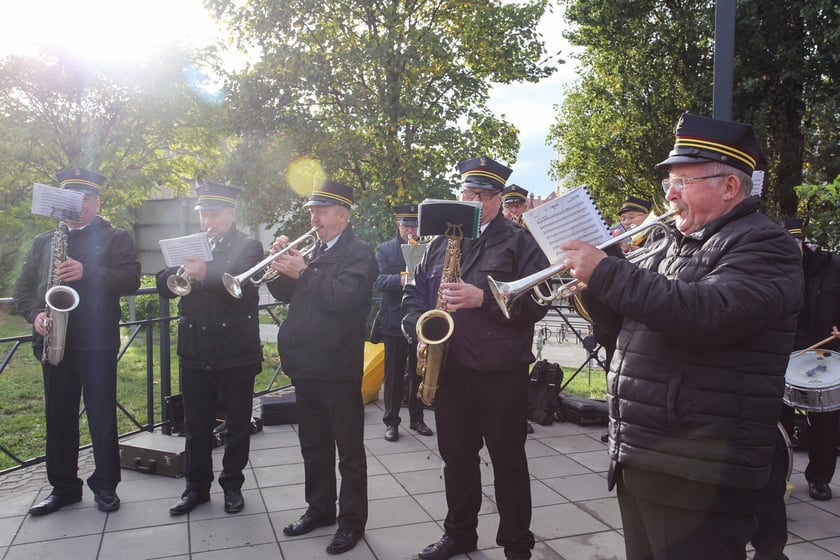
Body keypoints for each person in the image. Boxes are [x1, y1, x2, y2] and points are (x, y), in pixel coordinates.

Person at [565, 113, 803, 560]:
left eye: (682, 182)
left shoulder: (765, 245)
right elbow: (624, 326)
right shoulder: (674, 242)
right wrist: (593, 283)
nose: (670, 194)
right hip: (647, 455)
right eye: (670, 182)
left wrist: (608, 272)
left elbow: (709, 314)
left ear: (729, 187)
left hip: (699, 472)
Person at [403, 156, 550, 560]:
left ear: (500, 198)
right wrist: (419, 328)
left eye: (484, 195)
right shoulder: (439, 242)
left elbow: (537, 304)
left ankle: (517, 544)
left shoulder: (520, 242)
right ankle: (459, 534)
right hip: (450, 370)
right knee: (456, 460)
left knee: (509, 462)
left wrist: (483, 298)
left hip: (500, 373)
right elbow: (414, 294)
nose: (474, 201)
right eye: (468, 193)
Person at [13, 167, 141, 515]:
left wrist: (88, 271)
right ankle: (64, 488)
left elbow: (131, 279)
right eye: (73, 199)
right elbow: (22, 289)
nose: (81, 205)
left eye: (87, 198)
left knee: (102, 416)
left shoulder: (115, 237)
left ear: (97, 202)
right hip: (55, 341)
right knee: (58, 417)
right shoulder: (44, 241)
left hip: (97, 342)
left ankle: (106, 486)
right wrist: (35, 314)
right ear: (61, 202)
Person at [266, 180, 377, 555]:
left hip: (337, 366)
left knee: (349, 451)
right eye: (312, 210)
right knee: (313, 445)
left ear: (342, 215)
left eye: (321, 211)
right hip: (305, 363)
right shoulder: (313, 250)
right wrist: (281, 265)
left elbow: (344, 298)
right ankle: (320, 509)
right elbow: (287, 295)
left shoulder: (359, 253)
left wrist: (303, 272)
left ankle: (352, 522)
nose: (314, 218)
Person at [156, 181, 264, 516]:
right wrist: (176, 273)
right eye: (204, 215)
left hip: (236, 350)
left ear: (231, 214)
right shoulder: (192, 243)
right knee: (196, 425)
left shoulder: (249, 246)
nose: (208, 222)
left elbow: (242, 287)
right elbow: (163, 283)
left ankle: (232, 486)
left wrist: (204, 273)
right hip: (196, 349)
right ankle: (196, 488)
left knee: (237, 424)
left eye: (215, 215)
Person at [779, 218, 840, 503]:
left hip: (824, 352)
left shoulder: (832, 266)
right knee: (778, 420)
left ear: (802, 243)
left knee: (826, 420)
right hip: (784, 353)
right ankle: (779, 476)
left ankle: (819, 478)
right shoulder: (770, 268)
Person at [374, 204, 433, 442]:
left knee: (418, 372)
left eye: (414, 226)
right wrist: (401, 280)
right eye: (406, 226)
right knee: (394, 375)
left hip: (418, 320)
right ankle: (391, 422)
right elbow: (377, 280)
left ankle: (417, 419)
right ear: (398, 224)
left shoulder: (427, 248)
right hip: (394, 320)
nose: (411, 231)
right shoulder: (385, 249)